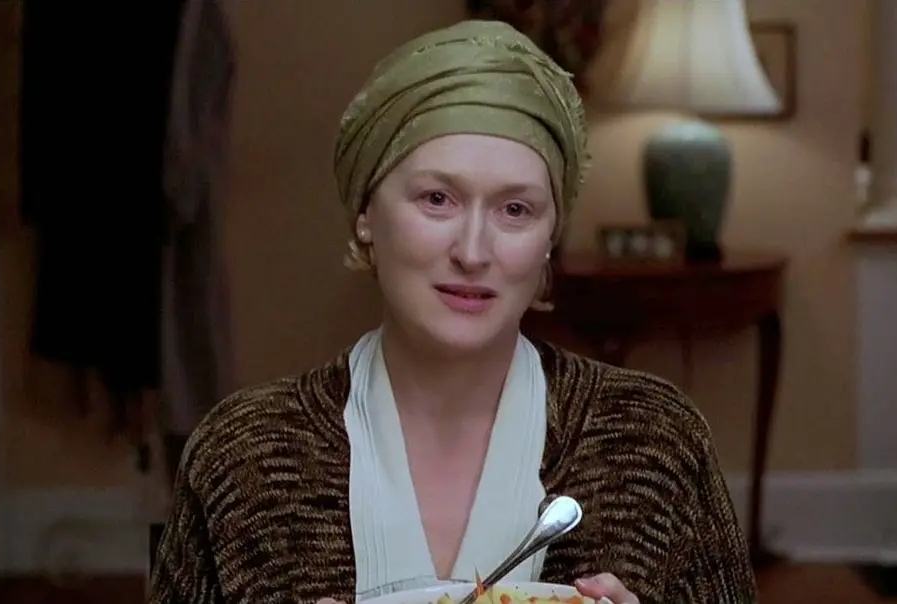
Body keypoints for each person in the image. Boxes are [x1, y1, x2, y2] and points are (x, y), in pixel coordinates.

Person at [149, 19, 757, 604]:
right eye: (437, 199)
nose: (473, 251)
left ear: (550, 237)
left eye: (515, 210)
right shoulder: (245, 455)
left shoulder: (652, 442)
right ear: (366, 215)